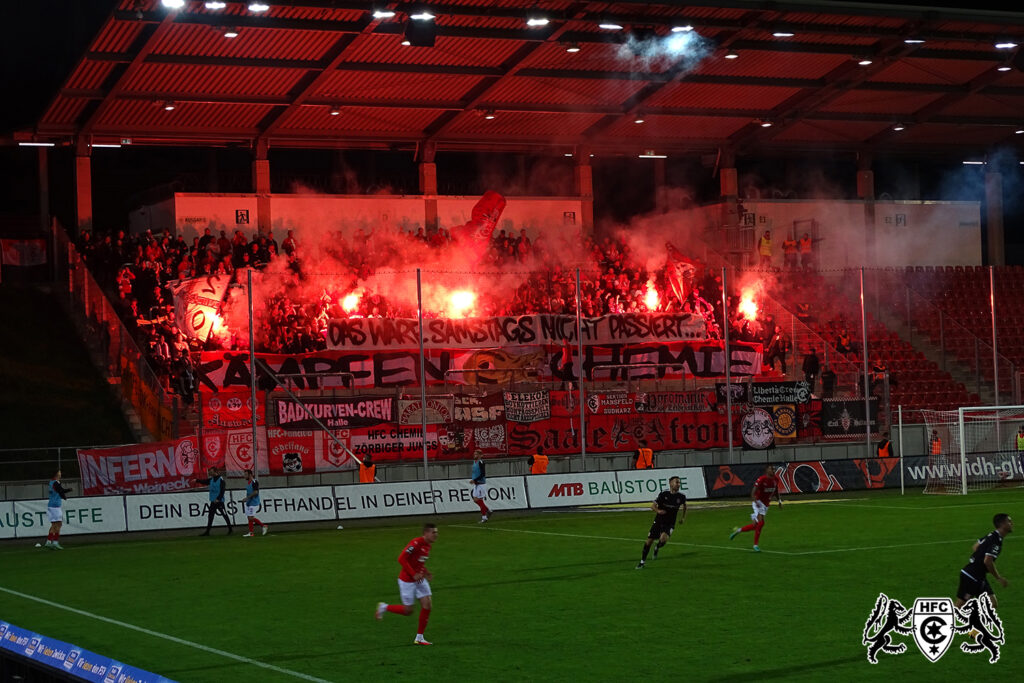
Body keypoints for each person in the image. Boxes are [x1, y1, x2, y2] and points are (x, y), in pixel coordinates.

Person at [375, 523, 439, 645]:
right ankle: (384, 607)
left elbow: (419, 562)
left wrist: (426, 572)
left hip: (419, 579)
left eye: (436, 532)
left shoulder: (428, 546)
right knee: (408, 611)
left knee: (427, 605)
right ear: (426, 533)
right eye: (433, 532)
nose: (436, 535)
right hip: (407, 580)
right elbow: (401, 559)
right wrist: (413, 574)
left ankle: (419, 638)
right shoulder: (415, 543)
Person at [956, 513, 1013, 608]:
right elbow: (987, 561)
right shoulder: (996, 541)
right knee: (959, 605)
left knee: (992, 603)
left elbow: (975, 546)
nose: (1012, 523)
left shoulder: (992, 535)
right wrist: (998, 577)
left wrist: (979, 558)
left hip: (979, 575)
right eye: (1009, 521)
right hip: (972, 576)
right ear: (1002, 524)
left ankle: (976, 619)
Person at [636, 476, 687, 569]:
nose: (678, 484)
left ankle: (657, 547)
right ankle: (642, 562)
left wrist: (683, 518)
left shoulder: (681, 496)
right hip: (659, 521)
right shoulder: (664, 494)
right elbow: (652, 506)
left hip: (670, 523)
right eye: (677, 482)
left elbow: (685, 506)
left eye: (679, 483)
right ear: (671, 483)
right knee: (649, 541)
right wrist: (658, 511)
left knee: (663, 540)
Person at [729, 464, 782, 552]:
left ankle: (739, 530)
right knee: (761, 523)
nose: (773, 470)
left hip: (765, 504)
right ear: (766, 470)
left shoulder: (776, 480)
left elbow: (776, 491)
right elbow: (753, 493)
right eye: (771, 469)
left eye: (774, 469)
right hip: (758, 502)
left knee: (756, 526)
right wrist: (756, 502)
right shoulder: (761, 479)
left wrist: (779, 501)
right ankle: (755, 545)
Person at [194, 466, 233, 536]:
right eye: (210, 472)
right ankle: (207, 531)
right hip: (213, 501)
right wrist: (197, 480)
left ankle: (230, 529)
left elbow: (222, 491)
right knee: (210, 516)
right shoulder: (211, 480)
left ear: (215, 472)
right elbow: (205, 481)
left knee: (224, 515)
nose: (210, 473)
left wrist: (218, 499)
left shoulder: (221, 480)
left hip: (219, 501)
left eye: (211, 472)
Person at [44, 470, 71, 550]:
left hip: (51, 505)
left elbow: (59, 491)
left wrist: (63, 496)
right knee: (58, 524)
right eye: (59, 472)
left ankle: (49, 542)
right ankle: (54, 542)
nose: (60, 474)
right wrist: (69, 490)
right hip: (55, 506)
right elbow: (61, 490)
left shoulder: (52, 482)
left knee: (54, 524)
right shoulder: (56, 483)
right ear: (56, 474)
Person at [242, 469, 268, 537]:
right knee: (249, 518)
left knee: (250, 518)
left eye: (245, 474)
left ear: (250, 475)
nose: (244, 476)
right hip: (249, 502)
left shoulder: (254, 482)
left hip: (254, 502)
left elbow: (256, 492)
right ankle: (251, 533)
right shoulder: (249, 482)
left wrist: (247, 498)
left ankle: (263, 526)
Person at [471, 451, 492, 523]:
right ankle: (488, 510)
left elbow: (483, 473)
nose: (474, 455)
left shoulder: (480, 462)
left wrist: (475, 480)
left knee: (480, 500)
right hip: (477, 484)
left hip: (481, 484)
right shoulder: (475, 462)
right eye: (474, 454)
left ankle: (484, 517)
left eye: (476, 454)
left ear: (480, 455)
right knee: (475, 499)